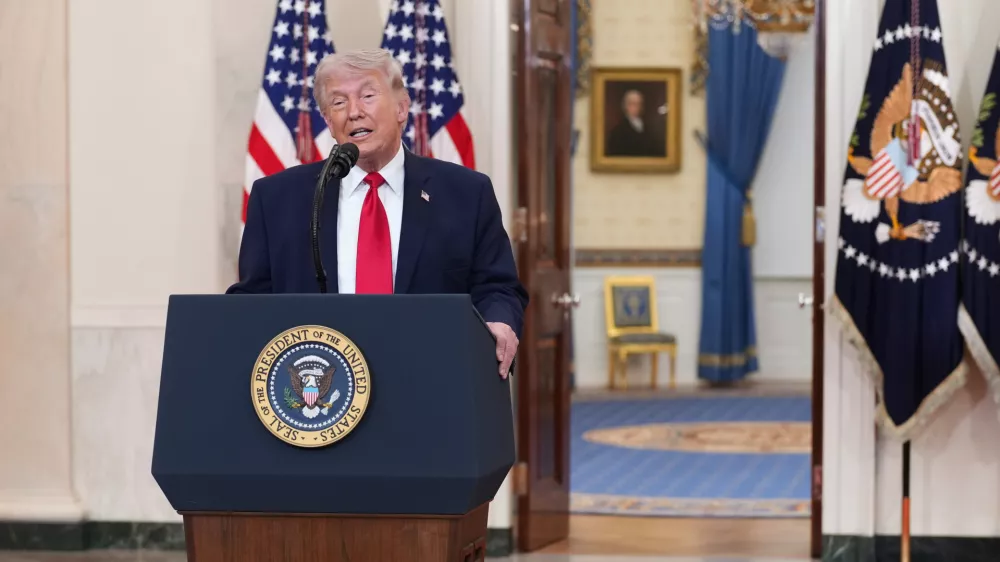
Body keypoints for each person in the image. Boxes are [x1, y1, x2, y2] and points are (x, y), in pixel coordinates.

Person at [228, 48, 527, 378]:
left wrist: (498, 322)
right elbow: (252, 303)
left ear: (401, 108)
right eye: (339, 102)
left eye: (368, 96)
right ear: (328, 121)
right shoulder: (277, 199)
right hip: (320, 396)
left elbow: (497, 288)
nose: (354, 112)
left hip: (431, 383)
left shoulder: (466, 194)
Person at [605, 89, 665, 157]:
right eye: (633, 104)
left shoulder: (648, 128)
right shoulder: (618, 132)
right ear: (626, 106)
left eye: (639, 104)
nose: (637, 107)